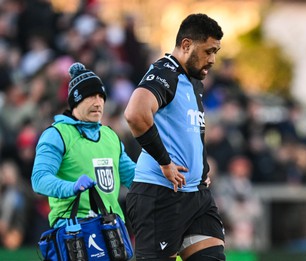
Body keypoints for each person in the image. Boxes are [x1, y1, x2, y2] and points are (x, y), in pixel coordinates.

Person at [124, 13, 225, 261]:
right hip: (160, 195)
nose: (212, 59)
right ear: (187, 44)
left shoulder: (193, 81)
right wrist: (165, 162)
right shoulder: (164, 72)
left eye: (216, 52)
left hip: (196, 195)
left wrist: (200, 170)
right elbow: (135, 114)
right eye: (208, 51)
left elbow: (187, 132)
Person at [31, 62, 136, 229]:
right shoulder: (56, 134)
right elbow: (39, 180)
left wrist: (164, 173)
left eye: (101, 96)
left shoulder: (110, 135)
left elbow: (134, 178)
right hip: (73, 229)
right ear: (76, 100)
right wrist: (71, 187)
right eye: (91, 96)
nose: (98, 102)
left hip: (112, 228)